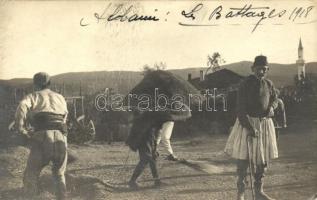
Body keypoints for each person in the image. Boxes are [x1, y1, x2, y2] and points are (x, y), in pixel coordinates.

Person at [225, 55, 279, 200]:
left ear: (267, 70)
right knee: (244, 159)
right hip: (247, 124)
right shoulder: (245, 84)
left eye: (264, 69)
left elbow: (275, 99)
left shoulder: (269, 84)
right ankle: (241, 192)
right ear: (253, 69)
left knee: (262, 159)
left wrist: (272, 108)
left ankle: (259, 191)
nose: (261, 72)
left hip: (264, 124)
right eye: (258, 69)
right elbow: (240, 108)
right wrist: (249, 127)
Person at [15, 72, 68, 200]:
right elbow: (65, 117)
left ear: (35, 84)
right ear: (49, 84)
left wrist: (21, 129)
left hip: (42, 136)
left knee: (31, 174)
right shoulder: (60, 97)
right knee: (59, 174)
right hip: (61, 137)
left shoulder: (33, 96)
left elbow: (22, 106)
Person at [127, 112, 163, 189]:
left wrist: (154, 148)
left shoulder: (154, 117)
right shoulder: (144, 116)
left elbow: (155, 133)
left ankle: (157, 181)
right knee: (145, 160)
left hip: (150, 139)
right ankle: (132, 181)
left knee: (152, 159)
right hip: (143, 140)